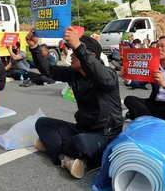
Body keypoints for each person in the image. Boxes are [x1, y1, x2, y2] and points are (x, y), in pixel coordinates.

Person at [26, 26, 123, 179]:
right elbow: (49, 71)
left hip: (106, 135)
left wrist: (79, 47)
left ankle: (54, 147)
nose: (70, 55)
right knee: (42, 123)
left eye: (74, 52)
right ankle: (64, 158)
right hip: (82, 128)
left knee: (80, 142)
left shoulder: (108, 74)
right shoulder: (74, 73)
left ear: (89, 55)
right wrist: (34, 47)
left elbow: (101, 76)